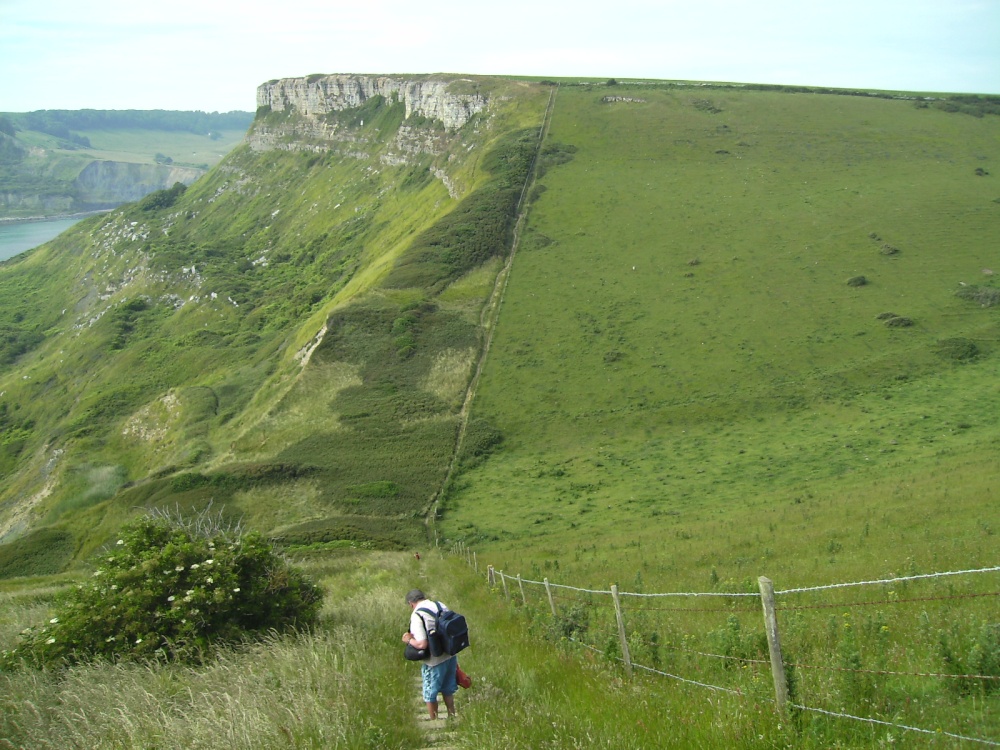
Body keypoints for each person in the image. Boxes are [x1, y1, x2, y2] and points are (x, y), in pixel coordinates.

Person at [402, 588, 458, 720]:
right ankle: (452, 716)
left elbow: (422, 644)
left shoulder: (417, 615)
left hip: (434, 660)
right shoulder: (440, 605)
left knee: (430, 692)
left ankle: (434, 721)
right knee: (448, 689)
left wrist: (408, 639)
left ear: (411, 603)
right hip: (449, 655)